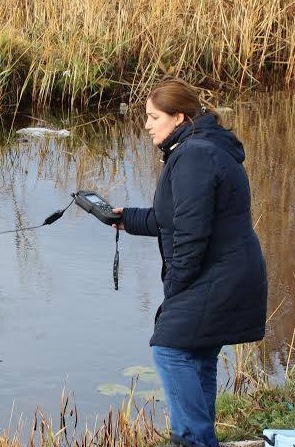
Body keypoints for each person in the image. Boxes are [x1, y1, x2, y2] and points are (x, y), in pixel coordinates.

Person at [113, 78, 267, 447]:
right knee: (197, 353)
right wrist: (123, 218)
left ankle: (192, 440)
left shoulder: (194, 156)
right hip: (227, 270)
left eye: (153, 117)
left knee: (169, 348)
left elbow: (191, 234)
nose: (147, 125)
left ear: (178, 116)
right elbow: (175, 218)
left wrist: (176, 288)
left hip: (219, 275)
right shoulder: (201, 147)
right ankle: (199, 437)